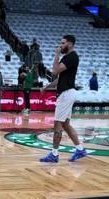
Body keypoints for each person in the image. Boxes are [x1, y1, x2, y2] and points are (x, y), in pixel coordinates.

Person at [40, 34, 87, 163]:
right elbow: (59, 78)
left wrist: (57, 55)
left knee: (57, 124)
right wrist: (46, 87)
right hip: (67, 93)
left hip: (66, 94)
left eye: (63, 43)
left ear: (70, 44)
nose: (61, 46)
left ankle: (54, 154)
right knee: (66, 124)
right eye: (61, 44)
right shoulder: (68, 57)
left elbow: (54, 71)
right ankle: (80, 149)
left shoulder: (71, 57)